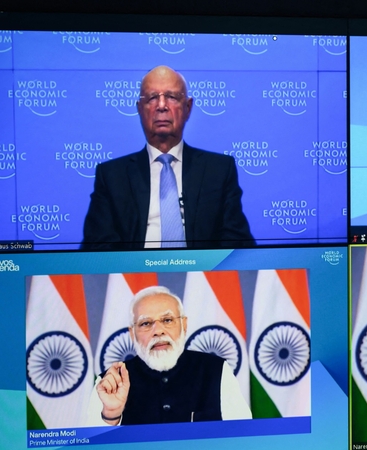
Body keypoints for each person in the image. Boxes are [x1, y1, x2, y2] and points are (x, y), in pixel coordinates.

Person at [81, 65, 254, 249]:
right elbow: (97, 247)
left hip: (201, 273)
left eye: (171, 97)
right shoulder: (112, 176)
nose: (161, 106)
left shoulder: (218, 171)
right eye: (152, 98)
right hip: (136, 273)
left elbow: (237, 244)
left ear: (188, 107)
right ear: (139, 109)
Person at [89, 286, 252, 425]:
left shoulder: (216, 370)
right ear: (132, 334)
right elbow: (85, 445)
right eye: (146, 323)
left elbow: (243, 436)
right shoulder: (110, 383)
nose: (158, 331)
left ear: (184, 325)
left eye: (167, 320)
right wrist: (111, 414)